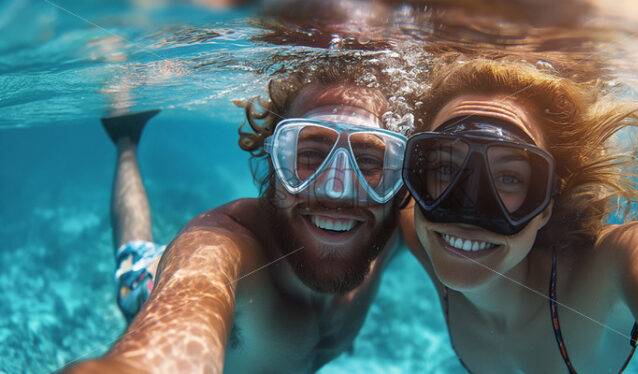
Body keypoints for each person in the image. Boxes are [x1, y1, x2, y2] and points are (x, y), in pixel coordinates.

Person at [400, 57, 638, 373]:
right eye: (445, 167)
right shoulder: (414, 227)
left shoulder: (618, 261)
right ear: (414, 176)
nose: (467, 210)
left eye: (508, 178)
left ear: (547, 203)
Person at [65, 60, 410, 373]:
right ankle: (126, 138)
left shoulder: (390, 227)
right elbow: (170, 337)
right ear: (273, 162)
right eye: (309, 155)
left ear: (398, 176)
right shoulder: (221, 244)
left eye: (368, 161)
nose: (337, 191)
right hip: (150, 281)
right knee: (132, 251)